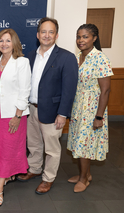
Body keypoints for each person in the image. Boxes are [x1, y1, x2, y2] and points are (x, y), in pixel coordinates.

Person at [16, 17, 78, 194]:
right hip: (32, 109)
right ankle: (34, 169)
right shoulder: (30, 57)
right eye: (43, 31)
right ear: (37, 34)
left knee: (52, 149)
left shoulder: (66, 57)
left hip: (53, 112)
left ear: (56, 35)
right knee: (34, 144)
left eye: (51, 32)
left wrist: (63, 114)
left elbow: (69, 89)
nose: (47, 35)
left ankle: (48, 178)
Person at [0, 29, 31, 208]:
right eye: (1, 41)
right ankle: (7, 175)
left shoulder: (22, 62)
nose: (4, 44)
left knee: (7, 148)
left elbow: (25, 90)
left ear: (15, 43)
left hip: (12, 114)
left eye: (8, 41)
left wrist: (18, 115)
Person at [67, 24, 113, 192]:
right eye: (79, 36)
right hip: (78, 106)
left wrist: (99, 116)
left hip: (92, 108)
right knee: (79, 142)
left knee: (84, 143)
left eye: (85, 37)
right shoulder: (78, 56)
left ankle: (83, 179)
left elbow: (106, 90)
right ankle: (86, 174)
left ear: (94, 38)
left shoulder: (100, 58)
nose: (81, 40)